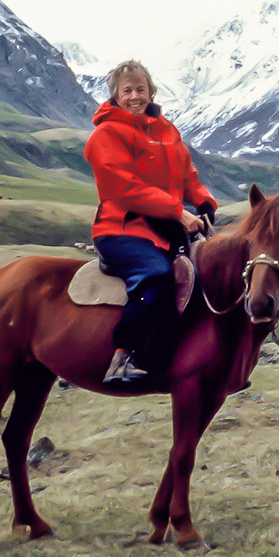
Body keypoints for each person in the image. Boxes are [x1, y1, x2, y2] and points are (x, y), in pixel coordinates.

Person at [83, 60, 218, 383]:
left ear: (152, 91)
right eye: (126, 90)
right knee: (156, 275)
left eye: (140, 89)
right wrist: (177, 212)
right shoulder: (106, 134)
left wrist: (203, 201)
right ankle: (122, 357)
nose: (134, 96)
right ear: (115, 95)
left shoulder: (168, 131)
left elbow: (188, 177)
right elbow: (123, 188)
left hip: (166, 230)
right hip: (121, 230)